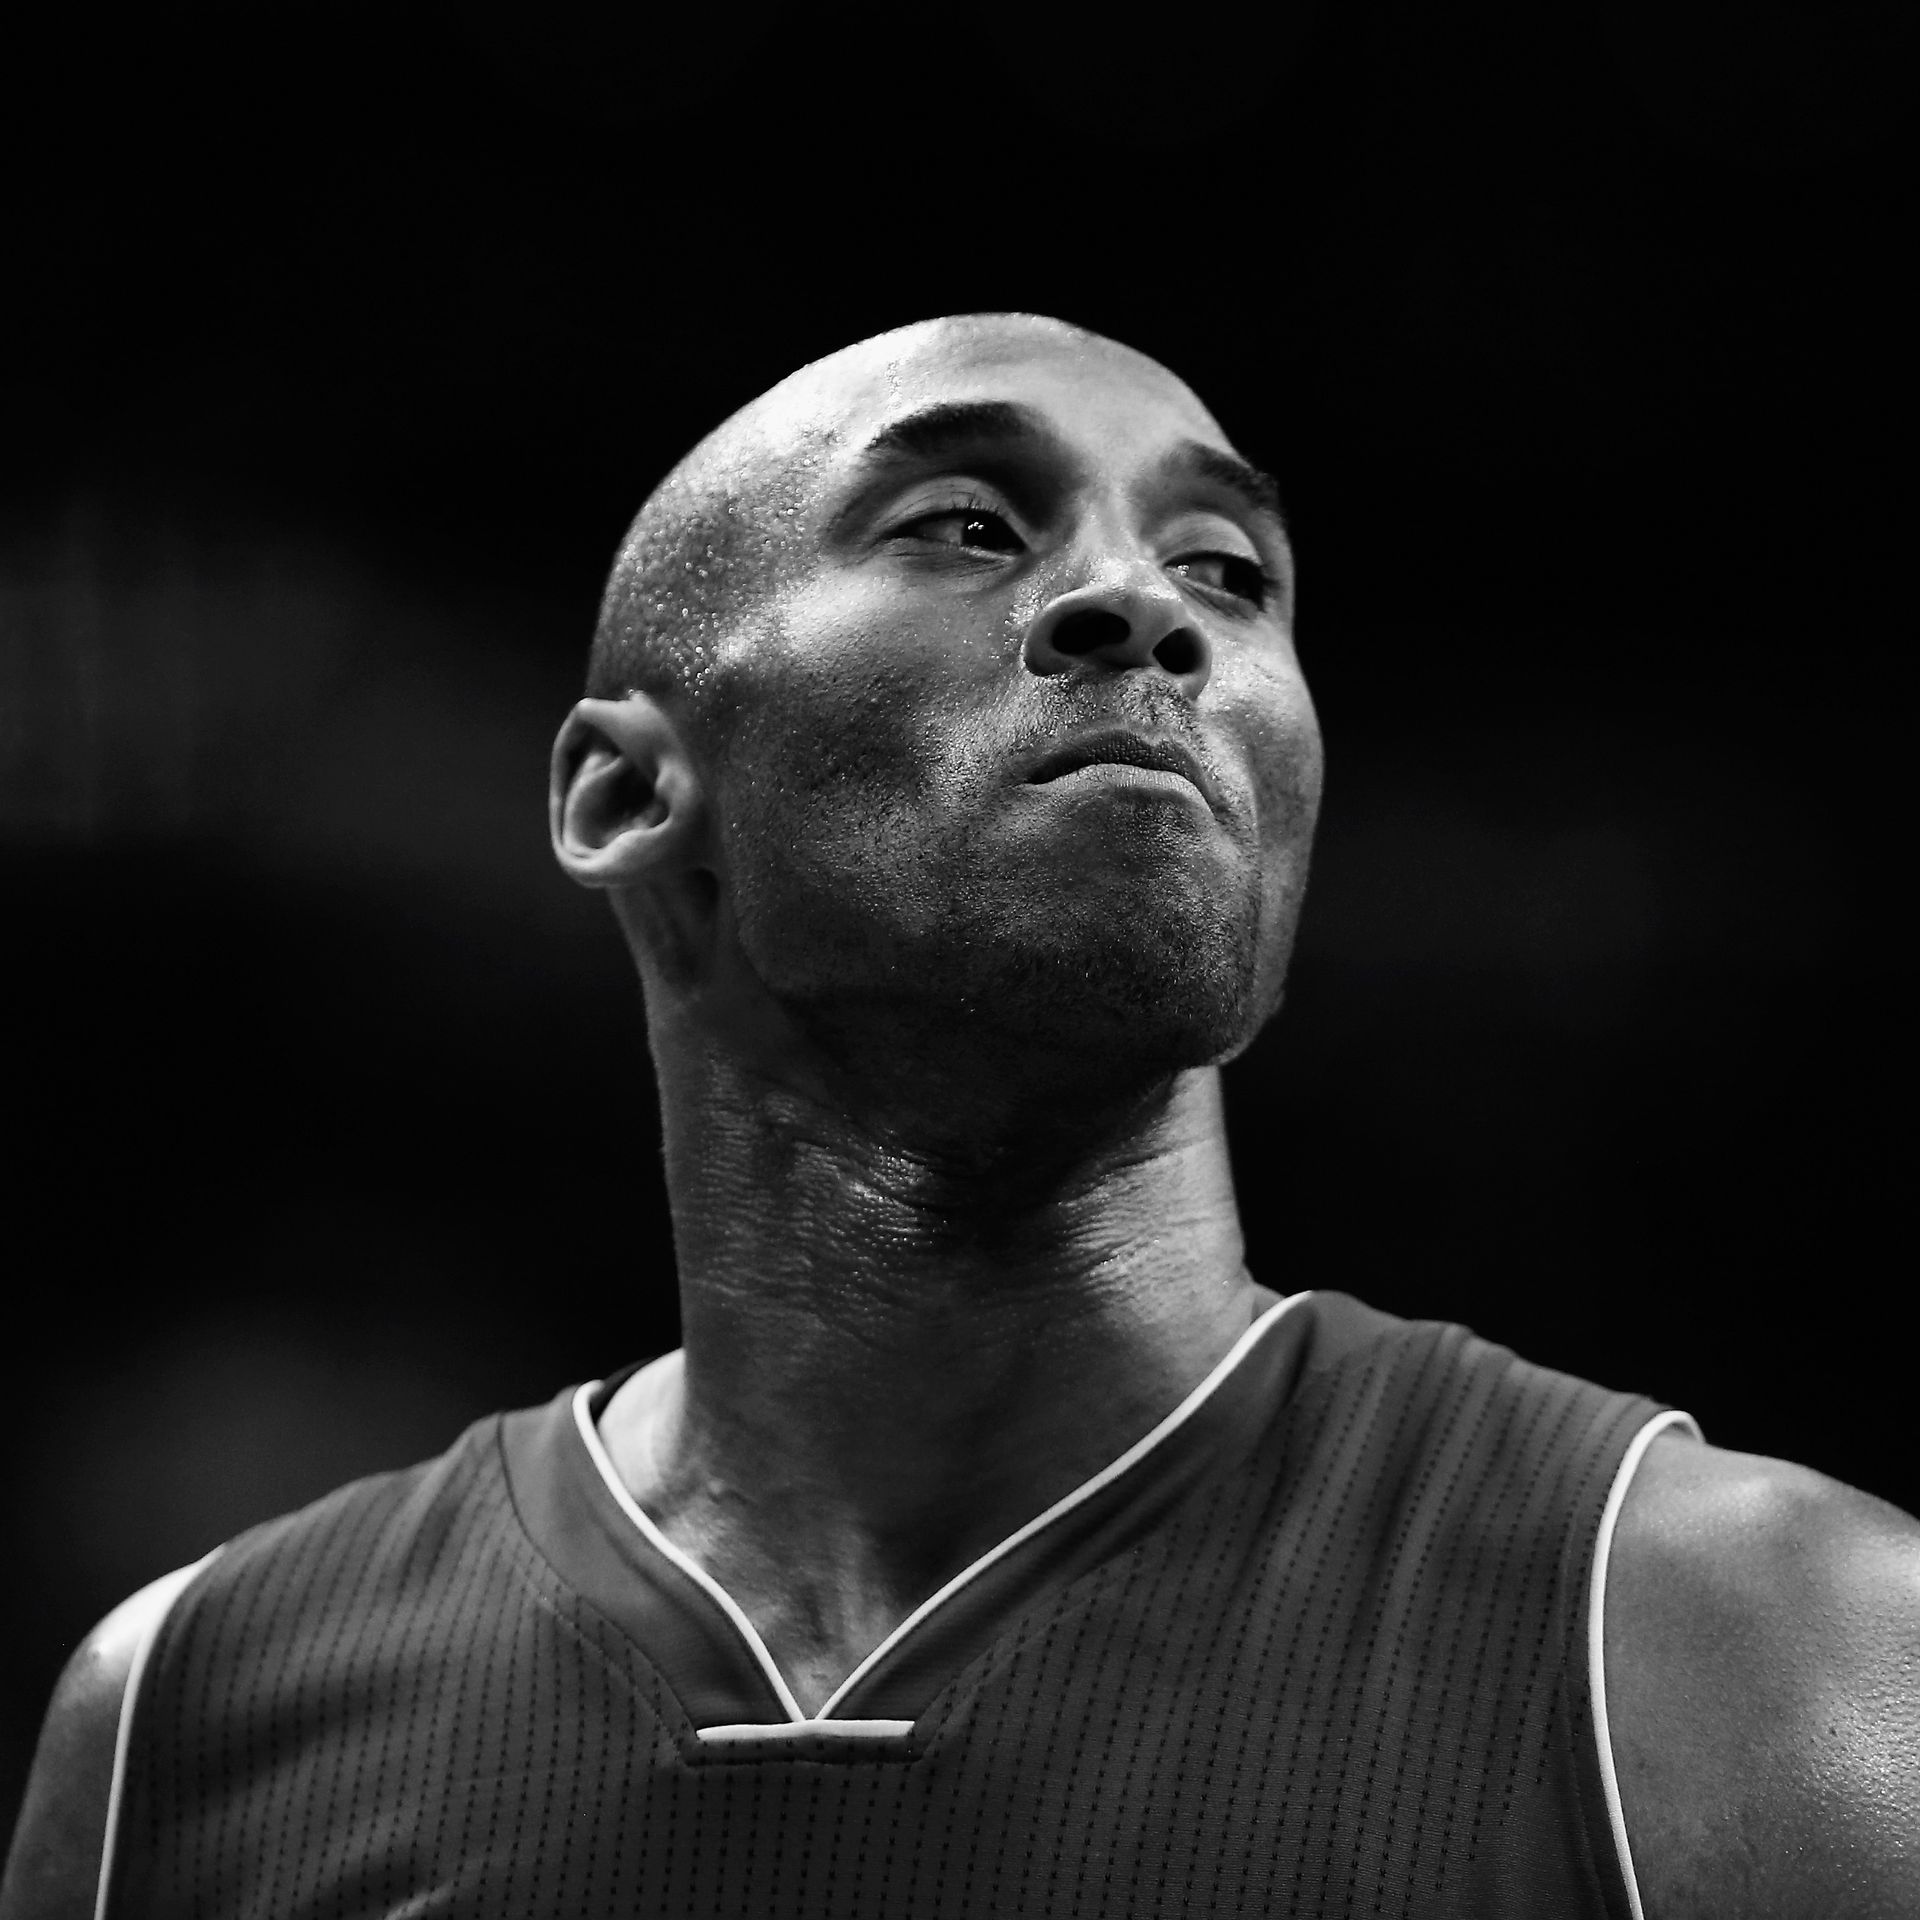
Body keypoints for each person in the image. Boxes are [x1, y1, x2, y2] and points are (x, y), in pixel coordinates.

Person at [4, 313, 1915, 1919]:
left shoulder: (1779, 1658)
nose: (1140, 606)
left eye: (1230, 574)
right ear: (621, 798)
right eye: (969, 526)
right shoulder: (189, 1716)